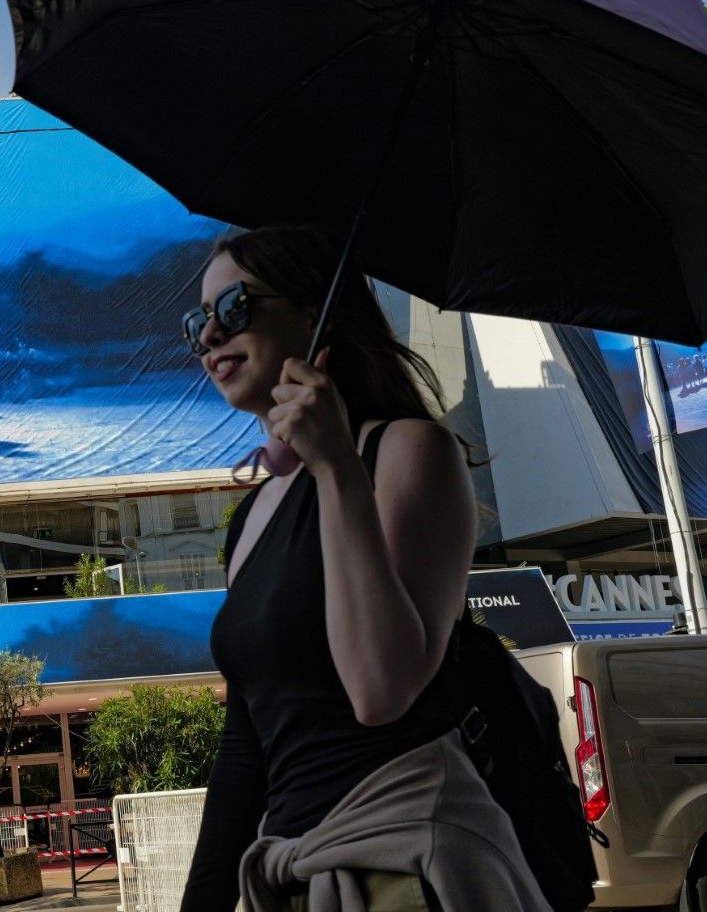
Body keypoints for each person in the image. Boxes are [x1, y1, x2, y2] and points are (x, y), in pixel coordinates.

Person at [179, 226, 543, 912]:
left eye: (233, 308)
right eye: (198, 320)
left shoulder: (409, 452)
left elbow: (382, 689)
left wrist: (336, 468)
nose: (208, 337)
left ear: (315, 313)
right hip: (290, 874)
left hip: (406, 862)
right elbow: (247, 742)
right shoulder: (254, 515)